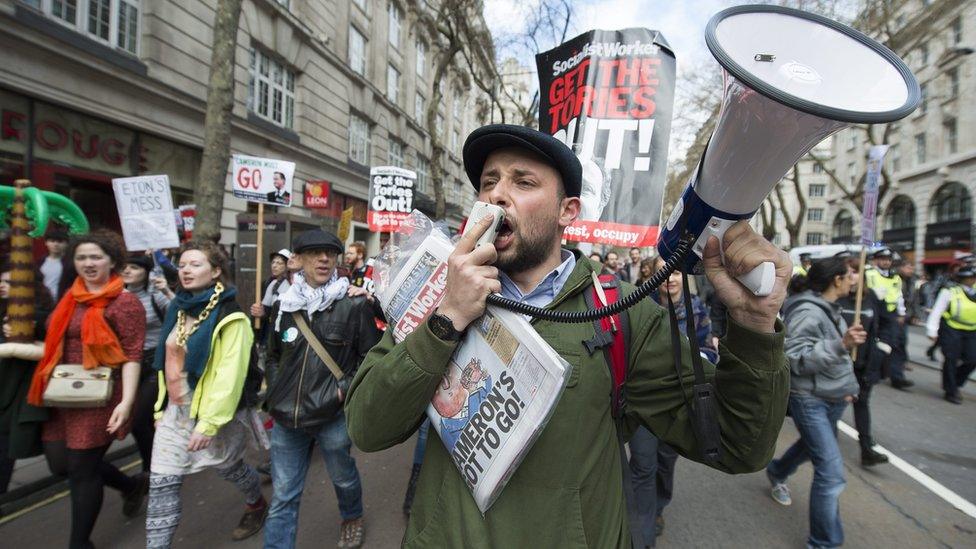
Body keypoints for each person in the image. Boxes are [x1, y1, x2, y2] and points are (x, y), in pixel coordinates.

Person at [345, 124, 791, 547]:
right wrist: (446, 320)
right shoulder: (442, 293)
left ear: (567, 212)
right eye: (489, 182)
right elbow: (367, 426)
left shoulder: (621, 313)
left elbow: (737, 444)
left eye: (523, 182)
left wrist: (754, 326)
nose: (498, 194)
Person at [27, 229, 147, 549]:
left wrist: (127, 402)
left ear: (112, 261)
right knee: (60, 465)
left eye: (96, 257)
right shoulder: (70, 296)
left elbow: (133, 355)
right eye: (81, 257)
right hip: (61, 393)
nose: (88, 263)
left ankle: (80, 544)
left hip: (101, 396)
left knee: (82, 470)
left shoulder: (126, 302)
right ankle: (130, 484)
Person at [263, 230, 381, 549]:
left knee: (343, 478)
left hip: (332, 416)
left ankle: (352, 516)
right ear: (298, 261)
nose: (324, 258)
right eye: (315, 252)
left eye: (330, 253)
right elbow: (272, 354)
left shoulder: (353, 305)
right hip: (287, 419)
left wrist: (342, 389)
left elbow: (370, 359)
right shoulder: (283, 305)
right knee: (283, 496)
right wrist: (276, 389)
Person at [145, 240, 267, 547]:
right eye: (183, 264)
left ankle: (256, 502)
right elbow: (166, 363)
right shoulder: (177, 306)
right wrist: (161, 409)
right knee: (161, 484)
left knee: (230, 469)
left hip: (215, 414)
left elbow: (228, 376)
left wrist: (209, 423)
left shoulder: (231, 316)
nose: (186, 270)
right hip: (176, 413)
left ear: (215, 271)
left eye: (195, 264)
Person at [766, 257, 864, 549]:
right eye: (851, 274)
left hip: (831, 398)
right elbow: (794, 359)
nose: (855, 279)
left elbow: (834, 357)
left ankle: (777, 470)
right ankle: (824, 542)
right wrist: (841, 344)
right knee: (831, 475)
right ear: (836, 279)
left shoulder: (830, 309)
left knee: (810, 447)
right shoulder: (809, 312)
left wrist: (847, 386)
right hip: (810, 401)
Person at [630, 255, 719, 544]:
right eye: (664, 272)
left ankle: (658, 506)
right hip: (644, 405)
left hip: (681, 407)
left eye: (676, 273)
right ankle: (641, 532)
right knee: (643, 466)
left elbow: (709, 352)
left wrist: (698, 361)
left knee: (665, 464)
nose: (671, 278)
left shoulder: (698, 312)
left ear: (684, 278)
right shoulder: (643, 308)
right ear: (655, 277)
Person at [120, 254, 173, 501]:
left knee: (141, 419)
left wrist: (168, 291)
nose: (128, 270)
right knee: (134, 421)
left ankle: (151, 470)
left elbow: (180, 315)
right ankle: (155, 463)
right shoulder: (115, 295)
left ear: (146, 272)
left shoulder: (155, 294)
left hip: (154, 363)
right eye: (125, 267)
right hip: (125, 365)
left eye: (134, 267)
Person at [0, 264, 53, 494]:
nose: (3, 286)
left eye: (10, 282)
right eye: (2, 282)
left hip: (25, 392)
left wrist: (27, 333)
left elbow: (49, 347)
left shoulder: (39, 315)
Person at [837, 260, 889, 466]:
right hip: (840, 362)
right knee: (835, 406)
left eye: (856, 271)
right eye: (848, 271)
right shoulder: (837, 298)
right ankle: (823, 446)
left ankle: (867, 449)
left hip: (864, 362)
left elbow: (886, 323)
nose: (852, 275)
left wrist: (883, 347)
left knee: (862, 402)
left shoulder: (872, 299)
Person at [925, 267, 976, 404]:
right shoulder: (950, 291)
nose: (971, 280)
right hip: (951, 328)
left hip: (971, 330)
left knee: (972, 359)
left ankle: (955, 382)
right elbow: (937, 310)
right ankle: (951, 390)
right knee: (950, 359)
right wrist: (932, 330)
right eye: (968, 278)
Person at [865, 248, 913, 390]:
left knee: (897, 344)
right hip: (874, 313)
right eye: (883, 259)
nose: (886, 262)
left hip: (891, 315)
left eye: (888, 259)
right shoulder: (870, 274)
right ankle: (873, 370)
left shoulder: (895, 277)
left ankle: (897, 377)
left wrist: (901, 313)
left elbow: (899, 296)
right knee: (874, 343)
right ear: (876, 260)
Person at [40, 229, 68, 301]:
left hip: (61, 302)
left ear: (67, 244)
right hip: (42, 302)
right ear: (46, 243)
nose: (56, 244)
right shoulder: (40, 262)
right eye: (52, 241)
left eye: (60, 242)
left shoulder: (70, 264)